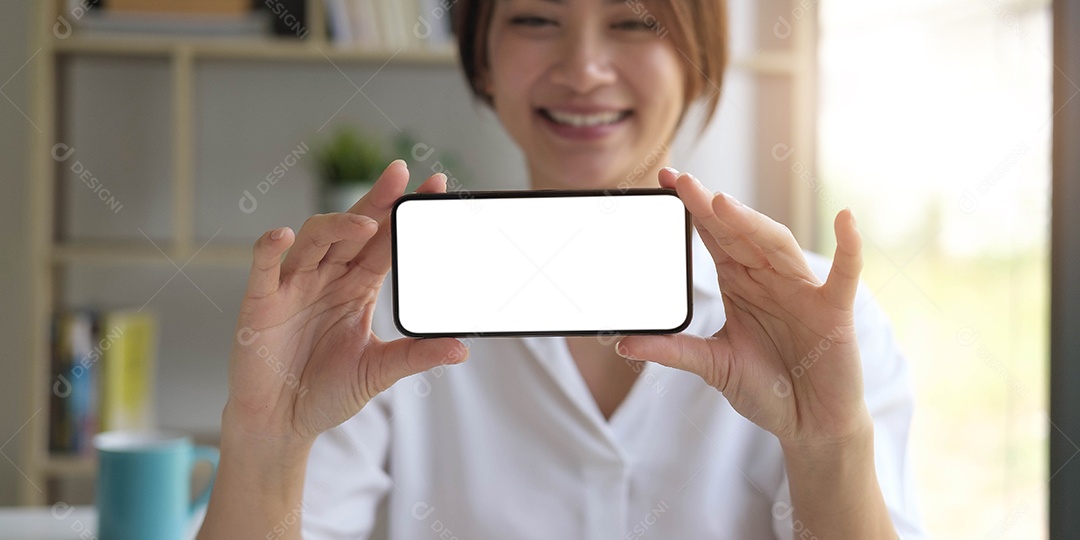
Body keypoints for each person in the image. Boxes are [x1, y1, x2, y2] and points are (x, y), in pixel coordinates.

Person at [197, 0, 926, 538]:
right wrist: (268, 440)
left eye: (636, 22)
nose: (583, 70)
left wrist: (829, 444)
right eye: (536, 20)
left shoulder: (824, 318)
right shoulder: (378, 312)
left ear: (699, 56)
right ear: (480, 56)